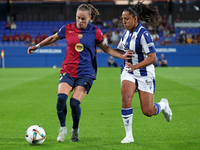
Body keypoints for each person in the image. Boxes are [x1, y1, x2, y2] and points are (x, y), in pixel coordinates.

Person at [27, 4, 133, 143]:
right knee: (61, 99)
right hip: (68, 71)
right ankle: (63, 128)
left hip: (86, 73)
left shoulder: (95, 31)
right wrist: (37, 46)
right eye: (78, 18)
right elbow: (53, 38)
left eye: (83, 19)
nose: (80, 21)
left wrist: (122, 56)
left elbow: (106, 48)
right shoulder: (67, 28)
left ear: (89, 18)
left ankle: (75, 130)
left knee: (74, 103)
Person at [117, 1, 172, 144]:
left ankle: (163, 105)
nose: (123, 21)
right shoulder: (125, 34)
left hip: (145, 73)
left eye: (126, 19)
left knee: (148, 111)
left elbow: (152, 57)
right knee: (126, 97)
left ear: (135, 19)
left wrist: (136, 66)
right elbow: (121, 51)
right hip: (129, 71)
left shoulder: (144, 34)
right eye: (122, 19)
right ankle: (129, 135)